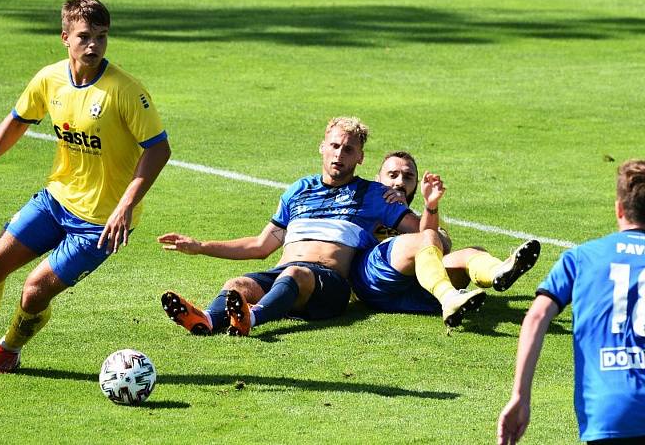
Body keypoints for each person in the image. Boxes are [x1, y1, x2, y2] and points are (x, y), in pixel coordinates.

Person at [0, 0, 171, 375]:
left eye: (101, 36)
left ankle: (9, 350)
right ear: (65, 36)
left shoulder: (125, 90)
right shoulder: (50, 79)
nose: (93, 45)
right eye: (84, 36)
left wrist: (126, 206)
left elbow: (159, 149)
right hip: (56, 200)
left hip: (100, 223)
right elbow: (17, 121)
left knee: (34, 291)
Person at [157, 117, 481, 336]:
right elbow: (260, 246)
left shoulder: (372, 194)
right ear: (322, 147)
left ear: (360, 158)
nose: (340, 154)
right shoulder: (298, 190)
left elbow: (422, 235)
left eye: (349, 149)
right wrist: (200, 247)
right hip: (285, 274)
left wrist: (431, 207)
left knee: (295, 275)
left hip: (330, 287)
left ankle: (251, 318)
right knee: (238, 283)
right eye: (335, 146)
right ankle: (206, 321)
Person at [497, 159, 645, 444]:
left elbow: (537, 317)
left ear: (619, 209)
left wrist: (520, 394)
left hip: (609, 411)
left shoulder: (581, 258)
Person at [350, 151, 541, 324]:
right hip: (378, 288)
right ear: (376, 180)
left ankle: (498, 272)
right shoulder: (363, 211)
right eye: (392, 175)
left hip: (425, 293)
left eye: (408, 177)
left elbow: (443, 246)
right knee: (422, 241)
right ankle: (451, 296)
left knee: (472, 252)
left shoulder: (428, 216)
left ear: (416, 185)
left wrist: (430, 205)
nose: (400, 182)